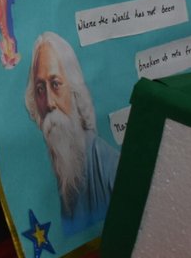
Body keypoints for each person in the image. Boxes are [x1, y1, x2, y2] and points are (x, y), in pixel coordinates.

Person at [23, 32, 119, 232]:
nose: (49, 103)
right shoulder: (49, 166)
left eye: (56, 84)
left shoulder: (108, 164)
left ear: (75, 92)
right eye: (40, 89)